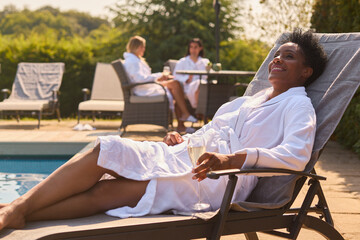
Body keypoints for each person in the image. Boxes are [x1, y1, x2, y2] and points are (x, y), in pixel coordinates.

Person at [0, 29, 327, 230]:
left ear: (305, 72)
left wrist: (231, 159)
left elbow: (295, 156)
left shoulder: (298, 105)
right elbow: (212, 129)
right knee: (104, 150)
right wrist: (184, 138)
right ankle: (20, 209)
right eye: (276, 55)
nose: (277, 60)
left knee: (108, 192)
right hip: (190, 155)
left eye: (289, 56)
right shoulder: (251, 100)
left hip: (218, 180)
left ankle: (18, 210)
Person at [123, 35, 197, 125]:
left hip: (146, 86)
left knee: (175, 87)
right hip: (143, 89)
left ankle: (182, 124)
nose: (144, 49)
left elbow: (142, 77)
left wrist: (160, 76)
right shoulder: (133, 61)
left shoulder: (134, 60)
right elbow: (140, 79)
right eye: (143, 47)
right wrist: (159, 76)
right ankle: (185, 116)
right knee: (175, 85)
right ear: (139, 47)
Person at [173, 38, 210, 132]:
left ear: (200, 48)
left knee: (202, 86)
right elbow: (175, 76)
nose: (193, 50)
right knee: (198, 85)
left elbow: (209, 75)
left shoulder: (205, 62)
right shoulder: (182, 61)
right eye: (191, 47)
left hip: (202, 86)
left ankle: (199, 111)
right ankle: (200, 112)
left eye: (196, 47)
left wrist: (209, 69)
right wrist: (186, 79)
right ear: (189, 48)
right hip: (187, 87)